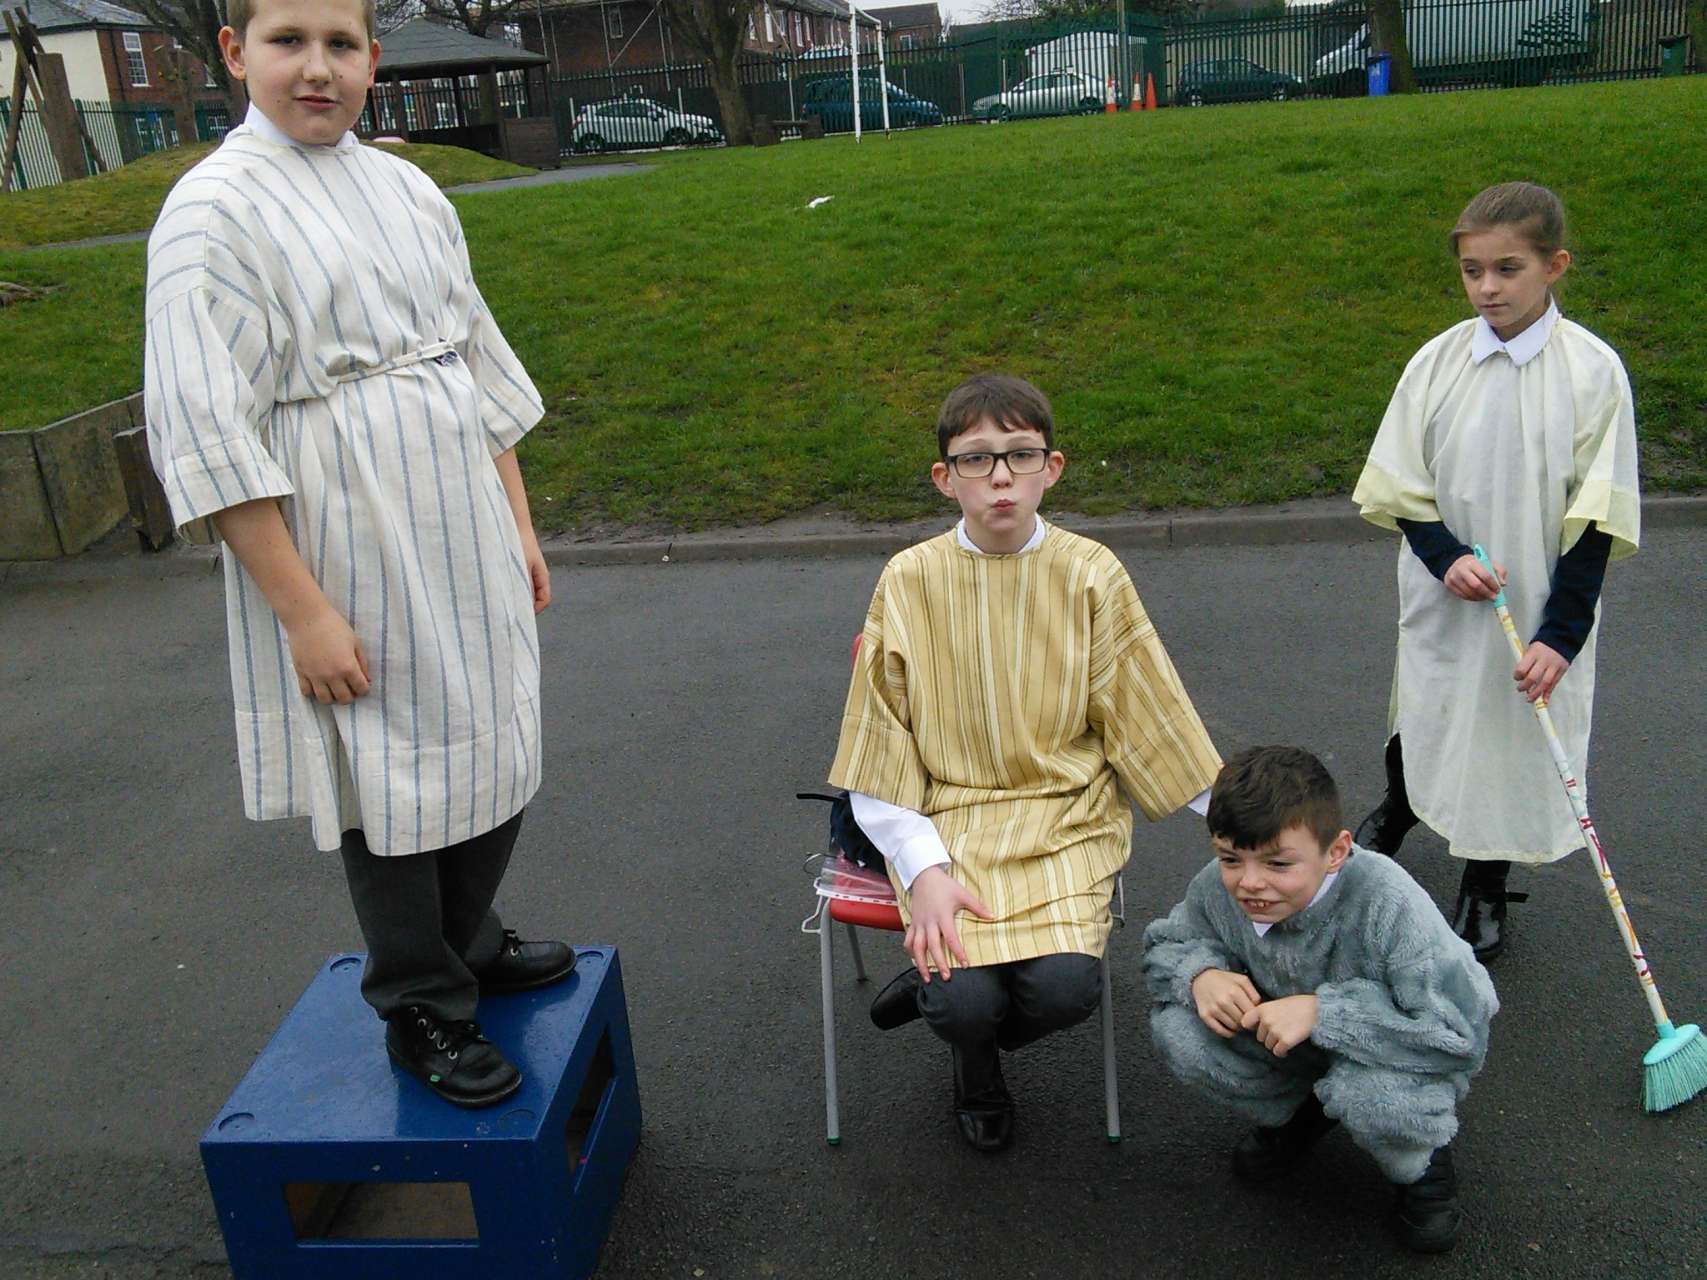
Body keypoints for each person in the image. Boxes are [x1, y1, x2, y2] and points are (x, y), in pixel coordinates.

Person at [143, 0, 572, 1108]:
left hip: (458, 511)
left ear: (374, 60)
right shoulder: (212, 214)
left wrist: (517, 521)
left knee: (495, 726)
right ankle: (419, 996)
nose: (317, 68)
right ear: (235, 52)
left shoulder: (408, 188)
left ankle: (466, 935)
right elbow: (207, 435)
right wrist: (303, 611)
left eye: (340, 45)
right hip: (338, 536)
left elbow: (473, 361)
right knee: (389, 765)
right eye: (288, 41)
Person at [827, 373, 1222, 1152]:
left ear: (1052, 467)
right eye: (976, 459)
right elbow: (880, 744)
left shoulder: (1091, 572)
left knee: (1066, 991)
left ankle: (957, 1018)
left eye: (1020, 455)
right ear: (945, 477)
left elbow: (1147, 711)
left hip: (1064, 816)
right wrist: (922, 870)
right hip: (949, 823)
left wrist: (1244, 821)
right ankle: (972, 1061)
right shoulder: (908, 579)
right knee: (963, 1003)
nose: (1000, 476)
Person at [1350, 181, 1640, 961]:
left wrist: (1562, 632)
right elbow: (1399, 482)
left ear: (1553, 266)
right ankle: (1403, 803)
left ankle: (1484, 879)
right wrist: (1444, 557)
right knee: (1429, 706)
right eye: (1471, 270)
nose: (1486, 288)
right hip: (1445, 591)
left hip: (1539, 600)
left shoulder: (1592, 372)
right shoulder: (1436, 362)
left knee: (1512, 733)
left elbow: (1599, 514)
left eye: (1507, 269)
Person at [1144, 746, 1498, 1254]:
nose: (1250, 883)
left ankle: (1421, 1163)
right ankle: (1300, 1113)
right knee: (1182, 1031)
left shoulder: (1389, 902)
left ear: (1335, 851)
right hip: (1287, 1040)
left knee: (1376, 1098)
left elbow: (1461, 1032)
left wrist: (1325, 1013)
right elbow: (1167, 945)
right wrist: (1199, 974)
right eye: (1229, 858)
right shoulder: (1219, 888)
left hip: (1389, 1053)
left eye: (1278, 863)